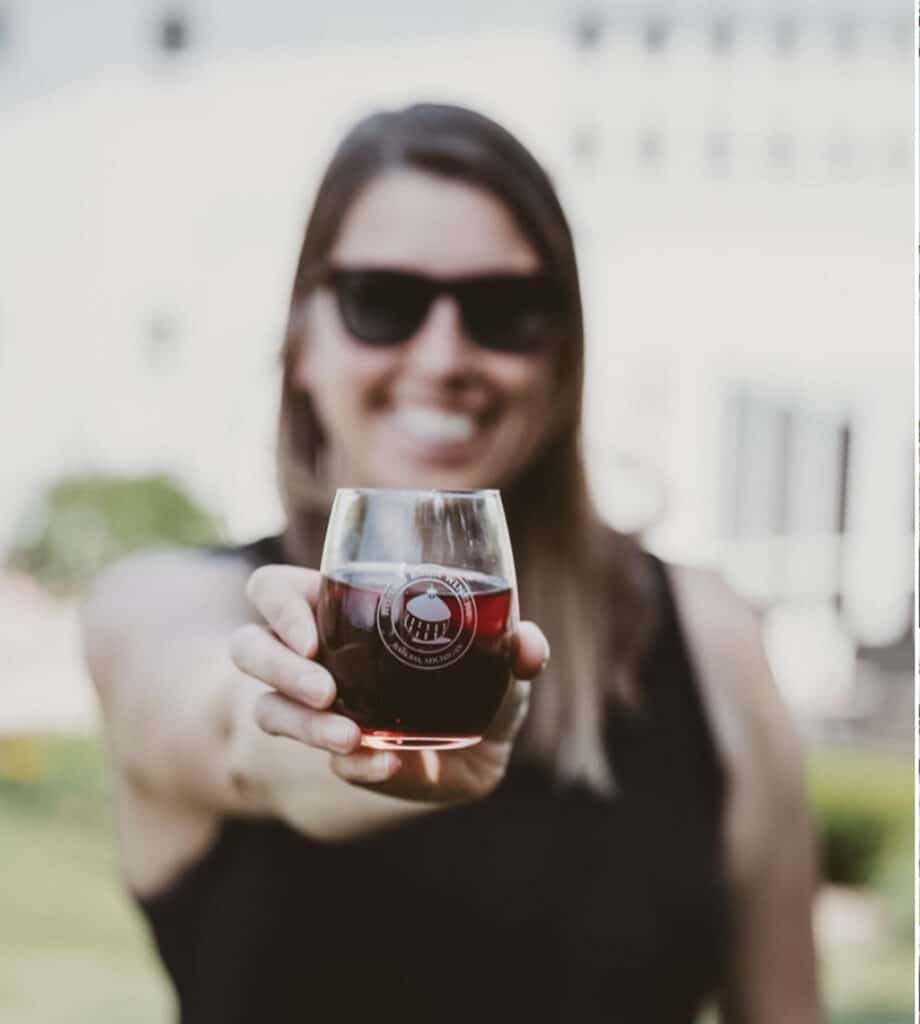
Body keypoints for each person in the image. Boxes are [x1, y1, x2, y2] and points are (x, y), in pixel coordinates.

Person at [82, 103, 823, 1023]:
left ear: (563, 355)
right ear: (302, 343)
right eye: (382, 302)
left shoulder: (713, 641)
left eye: (503, 311)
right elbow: (233, 738)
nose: (443, 356)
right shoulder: (157, 607)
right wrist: (333, 732)